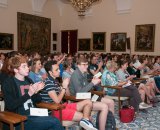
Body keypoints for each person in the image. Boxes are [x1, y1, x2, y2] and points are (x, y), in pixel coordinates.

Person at [2, 55, 64, 130]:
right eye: (24, 67)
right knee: (55, 122)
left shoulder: (28, 80)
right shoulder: (8, 83)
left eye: (27, 66)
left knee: (52, 123)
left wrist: (36, 91)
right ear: (16, 70)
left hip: (33, 113)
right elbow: (10, 106)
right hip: (20, 119)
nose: (28, 68)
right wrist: (29, 94)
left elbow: (38, 100)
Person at [40, 60, 97, 130]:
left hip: (63, 106)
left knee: (88, 102)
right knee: (86, 118)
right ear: (50, 72)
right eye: (56, 70)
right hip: (54, 110)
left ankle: (86, 122)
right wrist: (64, 87)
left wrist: (66, 86)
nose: (59, 71)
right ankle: (86, 122)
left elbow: (68, 95)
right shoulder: (48, 82)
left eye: (58, 69)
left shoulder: (55, 81)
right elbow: (57, 101)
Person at [70, 57, 114, 130]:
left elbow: (88, 87)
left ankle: (110, 124)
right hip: (80, 100)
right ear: (78, 65)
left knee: (111, 102)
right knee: (104, 106)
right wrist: (92, 83)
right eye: (83, 65)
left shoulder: (83, 73)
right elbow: (79, 93)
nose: (86, 66)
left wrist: (95, 83)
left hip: (88, 96)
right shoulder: (75, 75)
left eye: (87, 64)